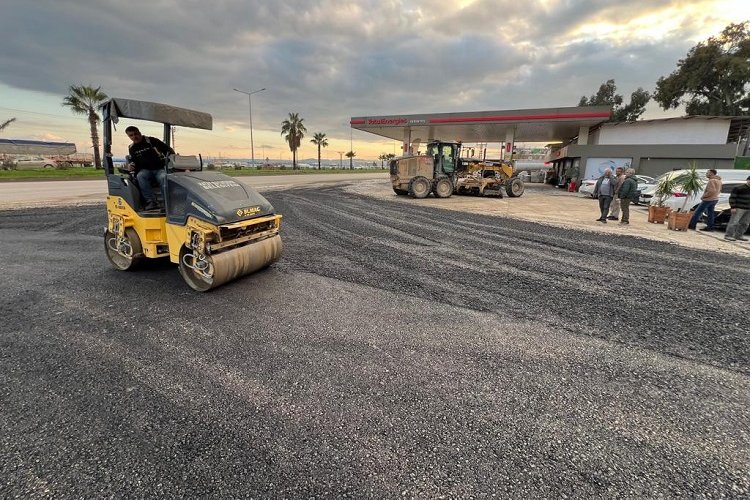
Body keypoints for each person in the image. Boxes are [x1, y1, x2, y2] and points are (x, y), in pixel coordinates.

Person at [125, 126, 174, 210]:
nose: (134, 137)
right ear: (129, 136)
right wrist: (130, 166)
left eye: (136, 134)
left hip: (159, 168)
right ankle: (151, 201)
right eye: (131, 135)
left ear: (139, 133)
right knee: (140, 176)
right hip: (145, 170)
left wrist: (171, 160)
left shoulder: (151, 141)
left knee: (163, 177)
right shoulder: (131, 148)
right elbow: (133, 161)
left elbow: (169, 151)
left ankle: (167, 202)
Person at [724, 175, 750, 242]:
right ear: (747, 180)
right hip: (739, 208)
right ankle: (728, 235)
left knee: (745, 223)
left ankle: (739, 235)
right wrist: (733, 207)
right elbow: (732, 198)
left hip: (748, 209)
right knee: (734, 222)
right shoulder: (738, 188)